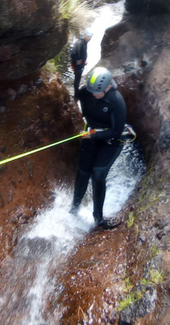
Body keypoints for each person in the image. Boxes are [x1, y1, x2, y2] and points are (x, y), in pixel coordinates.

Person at [70, 66, 127, 229]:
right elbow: (76, 99)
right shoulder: (86, 91)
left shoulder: (116, 102)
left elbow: (116, 132)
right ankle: (74, 209)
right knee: (82, 172)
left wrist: (93, 136)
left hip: (111, 141)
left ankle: (98, 218)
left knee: (98, 174)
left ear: (108, 87)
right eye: (91, 90)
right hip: (92, 134)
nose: (93, 94)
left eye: (97, 91)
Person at [69, 29, 93, 96]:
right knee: (77, 78)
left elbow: (82, 52)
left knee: (78, 78)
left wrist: (84, 60)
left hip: (81, 63)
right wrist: (76, 61)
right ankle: (76, 94)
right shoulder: (79, 43)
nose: (89, 38)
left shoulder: (85, 42)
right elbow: (72, 54)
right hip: (77, 65)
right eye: (88, 36)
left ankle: (77, 91)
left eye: (90, 37)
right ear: (85, 35)